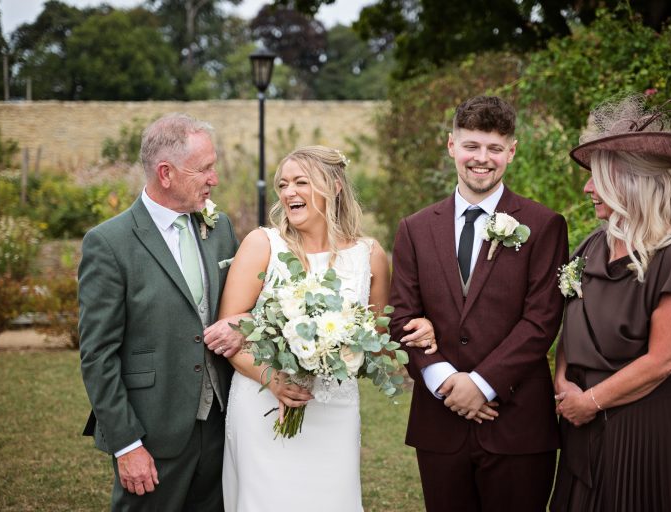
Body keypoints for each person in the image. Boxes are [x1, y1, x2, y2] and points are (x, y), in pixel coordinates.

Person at [202, 145, 435, 511]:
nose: (289, 192)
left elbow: (379, 339)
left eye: (301, 182)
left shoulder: (369, 254)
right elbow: (227, 335)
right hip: (263, 403)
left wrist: (420, 328)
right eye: (283, 184)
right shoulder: (262, 245)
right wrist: (274, 380)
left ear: (334, 186)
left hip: (334, 408)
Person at [389, 95, 569, 511]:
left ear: (512, 151)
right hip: (440, 424)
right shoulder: (415, 229)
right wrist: (445, 382)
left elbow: (542, 320)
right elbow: (401, 317)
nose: (482, 159)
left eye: (494, 148)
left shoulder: (543, 225)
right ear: (452, 146)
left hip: (516, 423)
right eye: (471, 146)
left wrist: (482, 384)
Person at [550, 95, 671, 511]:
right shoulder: (591, 246)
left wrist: (591, 401)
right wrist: (563, 383)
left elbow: (665, 360)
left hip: (648, 432)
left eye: (597, 178)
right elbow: (571, 325)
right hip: (583, 426)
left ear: (630, 182)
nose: (587, 187)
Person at [78, 113, 238, 511]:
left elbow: (243, 306)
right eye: (204, 169)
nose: (214, 179)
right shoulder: (109, 243)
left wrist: (243, 322)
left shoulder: (220, 228)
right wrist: (127, 444)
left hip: (222, 425)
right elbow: (98, 355)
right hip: (152, 432)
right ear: (165, 173)